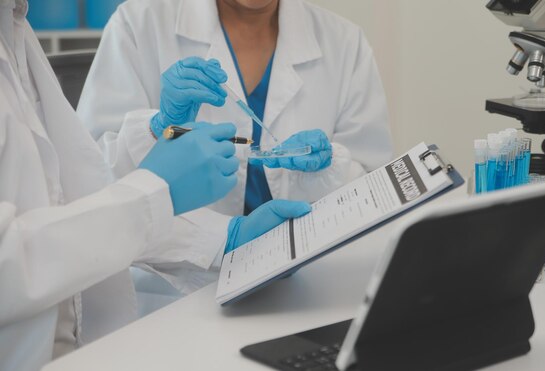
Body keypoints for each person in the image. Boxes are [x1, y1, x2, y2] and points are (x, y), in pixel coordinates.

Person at [0, 1, 310, 370]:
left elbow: (72, 196)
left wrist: (223, 238)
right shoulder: (136, 20)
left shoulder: (15, 24)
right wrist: (153, 190)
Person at [77, 0, 393, 218]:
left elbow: (373, 190)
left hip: (305, 281)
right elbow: (88, 182)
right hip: (176, 289)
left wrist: (330, 170)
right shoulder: (138, 24)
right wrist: (156, 131)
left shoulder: (344, 43)